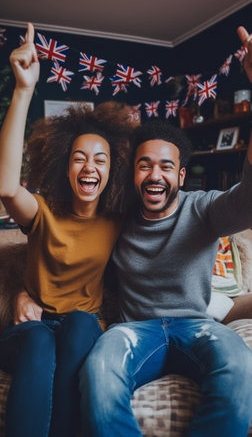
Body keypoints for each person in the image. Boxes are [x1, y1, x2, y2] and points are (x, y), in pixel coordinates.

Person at [78, 26, 252, 437]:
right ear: (132, 172)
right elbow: (59, 250)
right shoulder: (114, 216)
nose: (155, 175)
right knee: (98, 369)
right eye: (144, 165)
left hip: (198, 326)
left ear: (180, 174)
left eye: (166, 166)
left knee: (242, 365)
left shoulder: (204, 209)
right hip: (134, 331)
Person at [0, 23, 128, 437]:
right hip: (32, 327)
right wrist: (23, 90)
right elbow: (5, 187)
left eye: (100, 159)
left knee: (81, 324)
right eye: (79, 158)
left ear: (113, 170)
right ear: (63, 165)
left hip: (81, 326)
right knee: (39, 340)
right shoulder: (43, 211)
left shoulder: (119, 219)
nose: (89, 167)